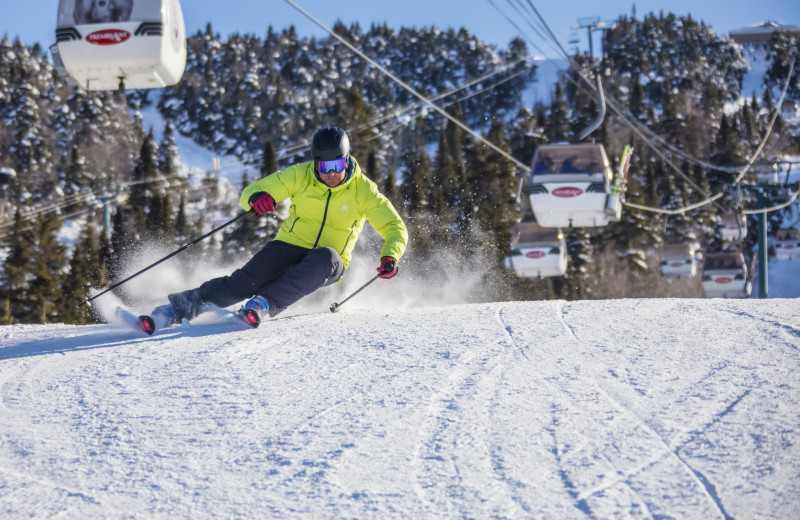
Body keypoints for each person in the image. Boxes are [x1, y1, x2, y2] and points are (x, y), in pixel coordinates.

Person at [144, 126, 408, 331]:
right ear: (315, 163)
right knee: (242, 283)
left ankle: (263, 304)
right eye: (324, 166)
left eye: (337, 165)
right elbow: (251, 191)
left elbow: (395, 226)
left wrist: (390, 255)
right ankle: (176, 309)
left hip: (329, 262)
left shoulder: (364, 191)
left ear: (347, 160)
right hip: (289, 244)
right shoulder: (300, 175)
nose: (331, 173)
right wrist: (256, 199)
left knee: (325, 256)